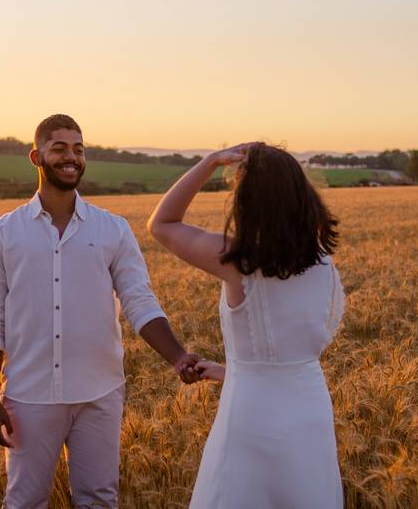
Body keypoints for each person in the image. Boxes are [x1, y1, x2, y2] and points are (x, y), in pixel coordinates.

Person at [0, 114, 202, 509]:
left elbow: (139, 301)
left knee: (99, 499)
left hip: (100, 393)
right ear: (36, 156)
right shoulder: (2, 235)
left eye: (79, 149)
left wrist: (179, 357)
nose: (71, 157)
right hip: (30, 396)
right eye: (59, 148)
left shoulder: (112, 229)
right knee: (25, 501)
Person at [148, 142, 345, 508]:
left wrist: (208, 163)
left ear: (249, 201)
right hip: (311, 410)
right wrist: (230, 371)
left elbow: (162, 223)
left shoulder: (239, 260)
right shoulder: (323, 263)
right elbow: (291, 354)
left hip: (252, 414)